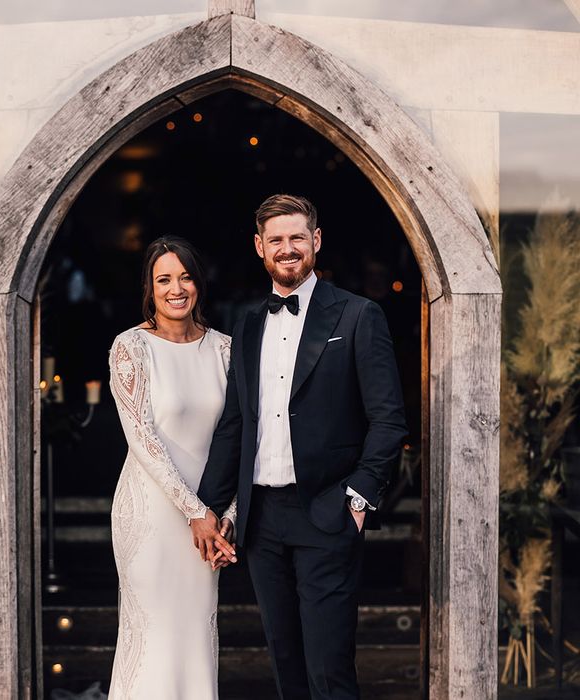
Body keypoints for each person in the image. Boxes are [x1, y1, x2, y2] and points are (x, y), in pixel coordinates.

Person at [192, 194, 407, 699]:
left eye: (296, 238)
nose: (287, 249)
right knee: (285, 662)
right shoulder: (246, 324)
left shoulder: (358, 316)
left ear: (315, 240)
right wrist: (208, 506)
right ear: (259, 247)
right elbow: (235, 422)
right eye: (276, 240)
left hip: (327, 511)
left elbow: (388, 418)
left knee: (329, 669)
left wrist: (358, 498)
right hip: (262, 519)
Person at [107, 236, 237, 699]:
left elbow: (241, 436)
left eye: (184, 277)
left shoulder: (224, 350)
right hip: (151, 517)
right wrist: (194, 512)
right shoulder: (130, 348)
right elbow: (141, 437)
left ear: (198, 283)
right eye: (164, 279)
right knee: (153, 638)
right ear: (150, 287)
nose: (176, 288)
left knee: (195, 639)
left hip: (210, 520)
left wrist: (226, 517)